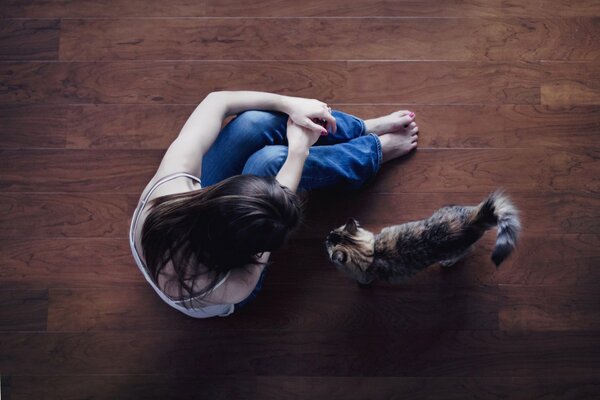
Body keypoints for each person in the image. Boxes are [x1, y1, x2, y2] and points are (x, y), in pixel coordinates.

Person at [129, 91, 419, 318]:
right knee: (270, 161)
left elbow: (216, 101)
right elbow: (268, 219)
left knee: (254, 123)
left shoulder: (170, 186)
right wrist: (298, 151)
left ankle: (358, 130)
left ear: (216, 193)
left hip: (191, 229)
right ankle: (371, 153)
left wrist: (289, 104)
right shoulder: (236, 285)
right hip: (215, 273)